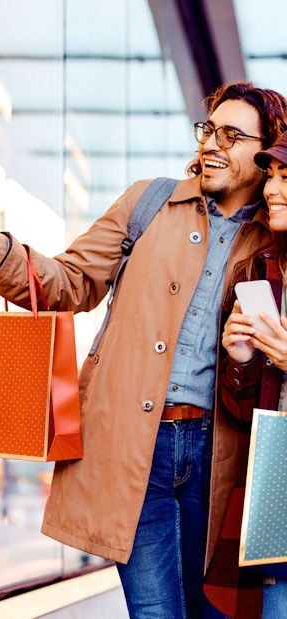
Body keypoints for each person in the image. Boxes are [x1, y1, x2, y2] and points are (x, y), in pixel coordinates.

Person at [0, 81, 287, 619]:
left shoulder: (274, 235)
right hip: (135, 447)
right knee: (156, 610)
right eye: (209, 130)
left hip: (222, 458)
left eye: (232, 136)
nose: (211, 144)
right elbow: (70, 282)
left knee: (217, 612)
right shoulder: (149, 202)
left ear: (266, 152)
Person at [206, 131, 287, 619]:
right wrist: (239, 359)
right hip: (277, 485)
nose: (272, 189)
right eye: (272, 177)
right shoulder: (261, 271)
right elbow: (242, 412)